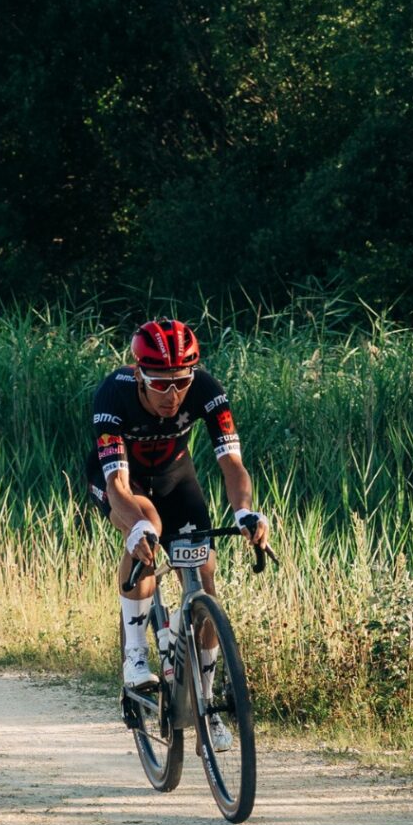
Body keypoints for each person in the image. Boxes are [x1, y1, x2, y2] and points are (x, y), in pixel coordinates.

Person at [86, 319, 270, 749]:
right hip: (121, 480)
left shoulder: (207, 389)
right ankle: (135, 656)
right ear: (139, 374)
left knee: (205, 575)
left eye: (181, 382)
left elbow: (232, 464)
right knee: (148, 524)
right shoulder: (112, 394)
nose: (172, 395)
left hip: (174, 476)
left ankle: (205, 703)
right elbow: (117, 484)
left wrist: (244, 511)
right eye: (160, 384)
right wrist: (136, 527)